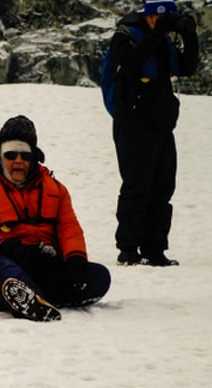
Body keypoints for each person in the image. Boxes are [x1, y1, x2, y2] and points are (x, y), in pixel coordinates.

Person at [0, 115, 112, 322]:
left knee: (98, 276)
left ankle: (21, 298)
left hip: (43, 266)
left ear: (34, 158)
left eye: (25, 155)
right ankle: (22, 295)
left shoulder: (56, 190)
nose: (18, 161)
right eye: (11, 155)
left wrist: (76, 259)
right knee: (3, 270)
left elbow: (69, 228)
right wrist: (8, 248)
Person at [105, 0, 199, 266]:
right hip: (132, 123)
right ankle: (128, 248)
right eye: (164, 18)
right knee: (137, 186)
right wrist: (158, 34)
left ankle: (155, 249)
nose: (168, 23)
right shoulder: (125, 35)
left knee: (163, 187)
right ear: (150, 17)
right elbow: (131, 64)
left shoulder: (165, 42)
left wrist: (189, 36)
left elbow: (187, 67)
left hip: (161, 125)